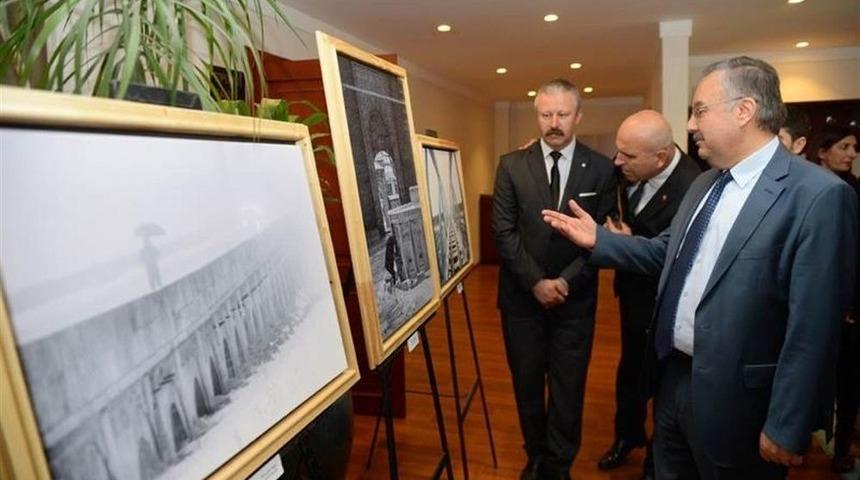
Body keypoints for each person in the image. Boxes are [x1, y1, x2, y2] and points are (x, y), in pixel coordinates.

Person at [542, 56, 858, 479]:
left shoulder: (817, 196)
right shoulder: (705, 183)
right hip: (674, 381)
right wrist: (600, 241)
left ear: (744, 111)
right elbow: (664, 252)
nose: (690, 125)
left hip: (742, 403)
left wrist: (787, 422)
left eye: (700, 111)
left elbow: (814, 327)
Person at [492, 78, 616, 480]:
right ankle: (536, 456)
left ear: (578, 116)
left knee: (568, 387)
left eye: (563, 114)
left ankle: (560, 465)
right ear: (537, 115)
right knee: (527, 383)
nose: (554, 123)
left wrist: (564, 282)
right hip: (521, 300)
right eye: (546, 114)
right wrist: (536, 282)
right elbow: (503, 231)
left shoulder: (600, 168)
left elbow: (602, 236)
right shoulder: (511, 164)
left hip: (575, 300)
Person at [597, 110, 702, 478]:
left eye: (628, 156)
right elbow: (596, 168)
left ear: (660, 158)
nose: (617, 161)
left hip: (667, 303)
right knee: (630, 373)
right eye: (617, 151)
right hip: (631, 297)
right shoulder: (624, 169)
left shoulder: (695, 185)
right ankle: (627, 436)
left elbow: (683, 255)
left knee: (663, 382)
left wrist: (628, 245)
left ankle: (657, 459)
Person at [810, 123, 859, 473]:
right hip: (812, 303)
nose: (851, 154)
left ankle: (841, 447)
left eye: (854, 148)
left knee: (849, 380)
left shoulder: (855, 191)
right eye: (843, 146)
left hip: (849, 308)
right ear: (822, 151)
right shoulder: (806, 190)